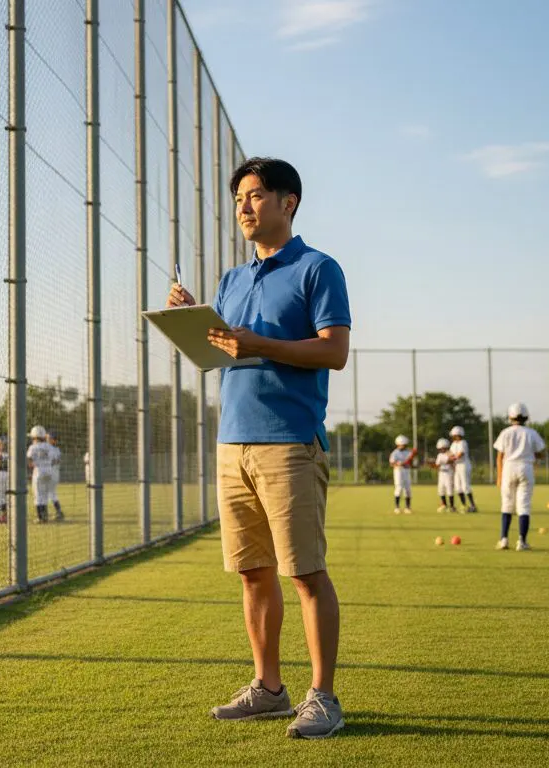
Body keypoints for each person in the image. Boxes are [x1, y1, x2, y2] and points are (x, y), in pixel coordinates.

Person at [169, 157, 351, 739]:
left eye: (254, 196)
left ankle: (322, 697)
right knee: (253, 573)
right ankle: (269, 689)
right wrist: (196, 322)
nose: (244, 207)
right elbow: (226, 352)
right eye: (240, 199)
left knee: (305, 574)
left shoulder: (318, 269)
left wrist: (257, 342)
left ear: (287, 201)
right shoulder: (232, 279)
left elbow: (333, 352)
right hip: (233, 443)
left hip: (290, 443)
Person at [493, 403, 546, 551]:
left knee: (507, 504)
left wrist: (499, 476)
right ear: (526, 417)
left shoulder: (505, 432)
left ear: (510, 417)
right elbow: (541, 452)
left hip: (509, 467)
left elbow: (499, 456)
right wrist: (535, 458)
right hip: (526, 467)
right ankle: (522, 541)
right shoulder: (532, 433)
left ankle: (504, 539)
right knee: (524, 506)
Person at [27, 426, 57, 523]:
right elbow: (54, 459)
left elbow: (29, 459)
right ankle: (45, 516)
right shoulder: (49, 446)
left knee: (38, 495)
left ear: (34, 437)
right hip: (49, 471)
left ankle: (41, 518)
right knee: (44, 495)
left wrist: (33, 465)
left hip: (38, 471)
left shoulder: (33, 447)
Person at [448, 426, 477, 512]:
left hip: (464, 465)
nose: (452, 436)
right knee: (458, 487)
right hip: (457, 466)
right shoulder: (453, 444)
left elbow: (460, 454)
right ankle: (464, 505)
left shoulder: (463, 443)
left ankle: (473, 506)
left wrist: (452, 458)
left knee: (465, 486)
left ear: (457, 434)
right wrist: (450, 458)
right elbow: (450, 454)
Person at [388, 435, 413, 514]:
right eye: (403, 444)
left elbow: (411, 462)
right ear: (398, 444)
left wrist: (409, 464)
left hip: (407, 471)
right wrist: (399, 464)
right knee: (398, 488)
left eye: (405, 444)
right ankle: (397, 507)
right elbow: (391, 463)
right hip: (398, 471)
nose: (404, 446)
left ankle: (407, 508)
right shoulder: (395, 453)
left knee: (408, 489)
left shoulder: (409, 452)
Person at [433, 438, 457, 513]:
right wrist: (432, 464)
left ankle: (452, 506)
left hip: (449, 473)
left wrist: (446, 461)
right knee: (441, 489)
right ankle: (444, 505)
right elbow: (437, 465)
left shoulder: (450, 453)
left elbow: (451, 461)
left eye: (442, 448)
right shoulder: (439, 455)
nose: (441, 449)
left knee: (449, 489)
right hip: (441, 473)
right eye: (440, 448)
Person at [47, 431, 65, 522]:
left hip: (51, 473)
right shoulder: (57, 449)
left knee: (48, 494)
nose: (48, 439)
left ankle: (56, 512)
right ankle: (58, 511)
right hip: (55, 473)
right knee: (51, 493)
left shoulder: (50, 449)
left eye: (50, 438)